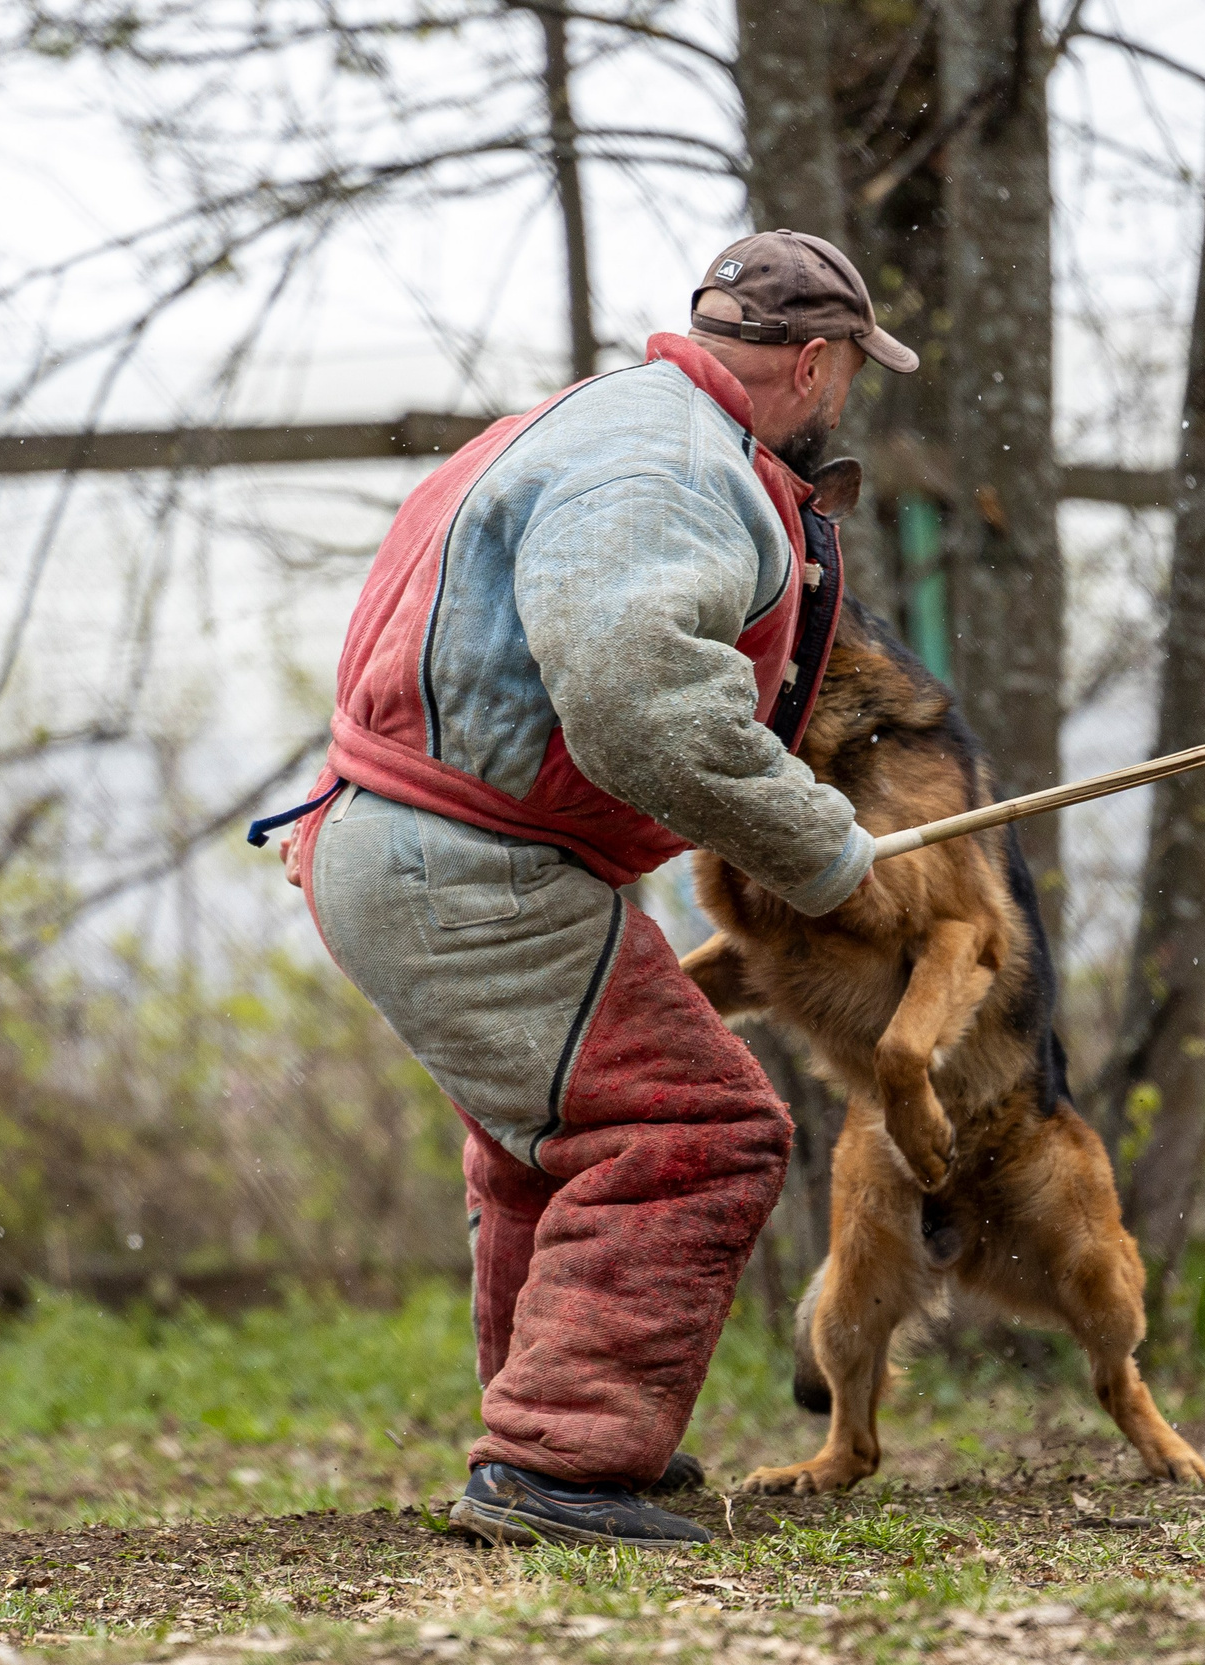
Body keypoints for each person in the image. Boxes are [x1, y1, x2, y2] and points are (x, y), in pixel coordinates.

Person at [272, 230, 919, 1550]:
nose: (847, 395)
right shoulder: (669, 466)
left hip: (410, 839)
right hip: (464, 862)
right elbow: (638, 710)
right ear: (812, 361)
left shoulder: (615, 423)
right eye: (848, 369)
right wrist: (820, 845)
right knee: (698, 1126)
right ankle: (556, 1462)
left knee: (549, 1144)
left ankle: (558, 1422)